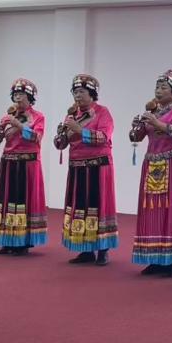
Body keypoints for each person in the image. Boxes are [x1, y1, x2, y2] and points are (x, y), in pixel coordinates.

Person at [129, 70, 172, 276]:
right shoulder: (153, 112)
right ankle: (154, 258)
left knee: (170, 209)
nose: (158, 91)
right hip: (152, 165)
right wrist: (137, 127)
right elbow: (136, 138)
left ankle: (170, 261)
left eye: (163, 87)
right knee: (152, 210)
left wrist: (157, 124)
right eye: (157, 87)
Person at [53, 74, 117, 266]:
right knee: (80, 207)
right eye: (75, 92)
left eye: (81, 91)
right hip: (77, 167)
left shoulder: (102, 112)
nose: (78, 95)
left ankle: (103, 250)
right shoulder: (72, 116)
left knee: (99, 206)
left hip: (98, 167)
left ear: (92, 94)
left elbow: (104, 137)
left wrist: (79, 130)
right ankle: (85, 249)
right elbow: (60, 145)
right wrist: (61, 135)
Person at [0, 78, 47, 255]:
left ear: (29, 97)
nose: (17, 97)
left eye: (21, 94)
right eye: (15, 94)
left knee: (23, 202)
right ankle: (7, 239)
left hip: (27, 165)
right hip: (9, 163)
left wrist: (19, 126)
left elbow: (37, 137)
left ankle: (23, 242)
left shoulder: (38, 117)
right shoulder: (7, 117)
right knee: (7, 201)